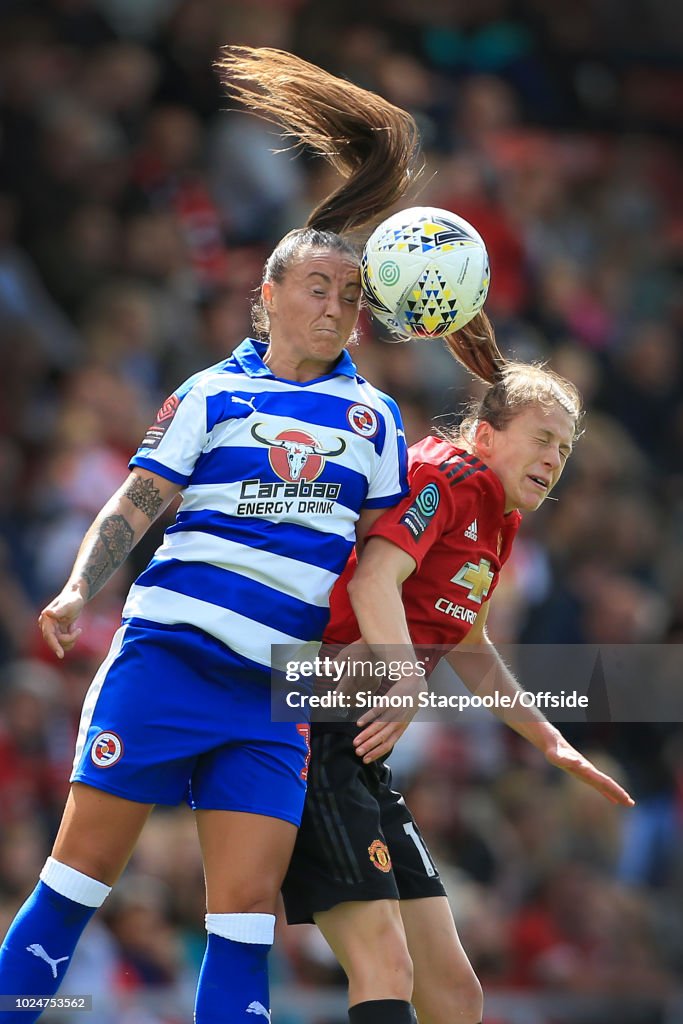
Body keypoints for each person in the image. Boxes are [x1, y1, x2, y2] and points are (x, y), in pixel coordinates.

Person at [0, 47, 422, 1022]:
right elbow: (135, 504)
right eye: (314, 286)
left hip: (272, 694)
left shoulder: (375, 424)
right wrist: (75, 589)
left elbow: (377, 569)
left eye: (348, 295)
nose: (333, 304)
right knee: (74, 887)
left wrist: (396, 669)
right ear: (264, 296)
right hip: (165, 663)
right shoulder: (211, 392)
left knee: (241, 921)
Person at [282, 322, 635, 1024]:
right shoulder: (444, 473)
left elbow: (467, 644)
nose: (554, 460)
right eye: (541, 439)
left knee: (454, 994)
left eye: (564, 449)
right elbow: (372, 581)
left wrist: (545, 738)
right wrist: (404, 680)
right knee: (386, 967)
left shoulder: (497, 520)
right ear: (485, 433)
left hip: (358, 749)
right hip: (308, 729)